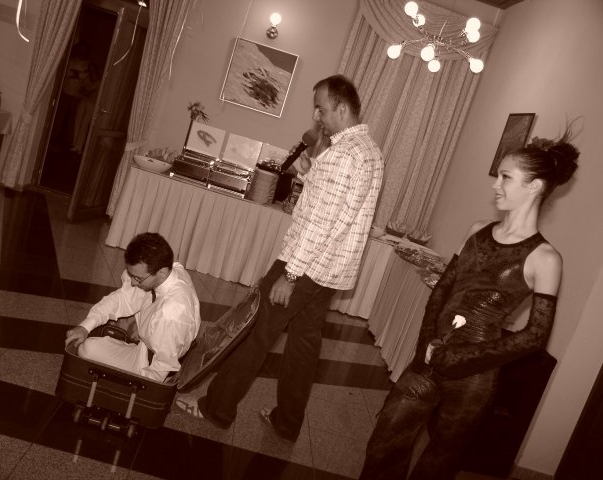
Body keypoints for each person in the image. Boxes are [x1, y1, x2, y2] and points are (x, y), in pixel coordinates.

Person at [359, 126, 580, 480]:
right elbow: (442, 290)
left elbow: (535, 336)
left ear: (534, 186)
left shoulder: (546, 258)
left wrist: (458, 357)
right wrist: (426, 346)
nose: (496, 185)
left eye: (506, 177)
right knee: (384, 442)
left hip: (474, 377)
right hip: (431, 358)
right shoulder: (478, 230)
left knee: (438, 462)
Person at [176, 74, 384, 442]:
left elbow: (322, 223)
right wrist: (310, 173)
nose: (317, 116)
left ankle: (217, 408)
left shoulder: (343, 154)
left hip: (305, 266)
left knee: (256, 331)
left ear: (341, 107)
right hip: (330, 270)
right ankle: (287, 422)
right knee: (304, 344)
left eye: (321, 108)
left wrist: (291, 275)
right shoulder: (369, 150)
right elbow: (339, 210)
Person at [65, 232, 200, 382]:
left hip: (149, 366)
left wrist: (137, 387)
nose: (134, 283)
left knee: (86, 351)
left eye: (138, 278)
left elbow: (162, 366)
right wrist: (85, 326)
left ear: (161, 272)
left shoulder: (172, 312)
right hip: (144, 349)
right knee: (88, 346)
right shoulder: (170, 271)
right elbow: (122, 299)